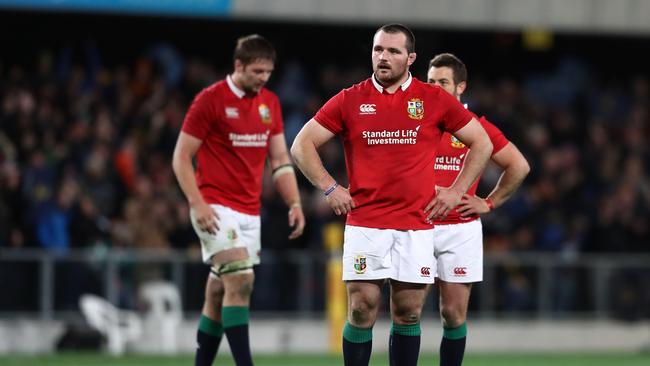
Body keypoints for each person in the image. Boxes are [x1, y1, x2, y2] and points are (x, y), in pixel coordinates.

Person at [291, 24, 493, 366]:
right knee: (360, 308)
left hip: (416, 225)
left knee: (408, 313)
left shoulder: (434, 99)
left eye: (393, 51)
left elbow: (482, 142)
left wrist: (457, 191)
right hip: (366, 223)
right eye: (378, 49)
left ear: (411, 58)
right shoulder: (350, 99)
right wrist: (330, 187)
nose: (383, 57)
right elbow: (301, 145)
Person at [172, 34, 305, 366]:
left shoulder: (269, 103)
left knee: (219, 293)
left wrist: (295, 202)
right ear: (238, 66)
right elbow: (181, 157)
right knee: (242, 280)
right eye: (257, 72)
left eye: (268, 73)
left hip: (250, 212)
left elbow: (279, 160)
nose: (263, 79)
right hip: (214, 207)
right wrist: (197, 203)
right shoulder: (210, 100)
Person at [427, 53, 530, 366]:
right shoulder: (415, 124)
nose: (433, 88)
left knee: (453, 314)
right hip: (416, 224)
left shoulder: (477, 128)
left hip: (460, 229)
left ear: (460, 87)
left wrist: (489, 202)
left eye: (442, 82)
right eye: (429, 82)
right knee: (406, 312)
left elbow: (519, 166)